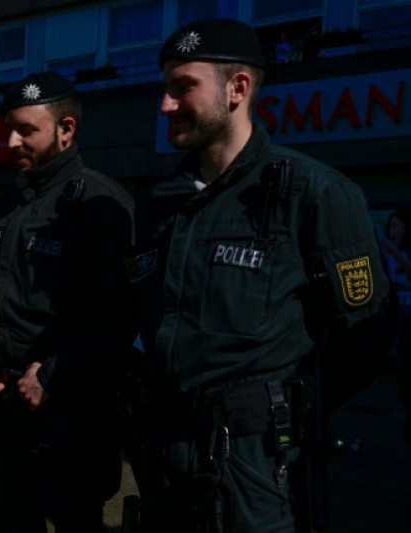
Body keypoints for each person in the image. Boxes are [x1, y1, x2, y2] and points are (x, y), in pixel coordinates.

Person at [130, 19, 389, 532]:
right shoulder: (158, 205)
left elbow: (366, 330)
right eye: (165, 89)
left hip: (254, 466)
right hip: (162, 457)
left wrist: (280, 408)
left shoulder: (312, 194)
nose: (165, 105)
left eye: (183, 87)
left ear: (238, 88)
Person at [0, 71, 135, 533]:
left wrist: (53, 374)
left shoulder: (100, 206)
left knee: (74, 520)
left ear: (66, 130)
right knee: (7, 520)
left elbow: (113, 316)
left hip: (71, 410)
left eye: (26, 130)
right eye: (8, 129)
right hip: (8, 405)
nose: (12, 141)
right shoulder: (4, 207)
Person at [381, 209, 411, 445]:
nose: (392, 232)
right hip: (397, 313)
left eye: (396, 226)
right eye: (390, 227)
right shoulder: (386, 254)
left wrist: (394, 252)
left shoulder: (401, 253)